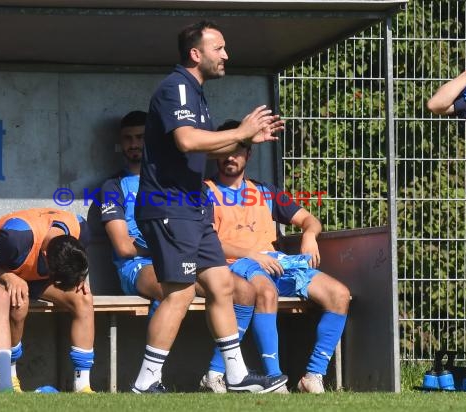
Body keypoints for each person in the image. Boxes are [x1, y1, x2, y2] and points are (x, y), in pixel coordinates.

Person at [131, 21, 287, 394]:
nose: (226, 56)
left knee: (220, 284)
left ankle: (235, 375)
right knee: (181, 292)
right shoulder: (176, 88)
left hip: (193, 206)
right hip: (170, 207)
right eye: (219, 48)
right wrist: (239, 133)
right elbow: (186, 141)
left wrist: (249, 138)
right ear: (195, 54)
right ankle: (145, 382)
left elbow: (207, 144)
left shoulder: (195, 93)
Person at [92, 112, 258, 392]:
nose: (134, 144)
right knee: (175, 288)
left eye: (141, 138)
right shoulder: (113, 186)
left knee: (239, 289)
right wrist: (167, 245)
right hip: (138, 265)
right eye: (128, 139)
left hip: (182, 259)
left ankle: (221, 373)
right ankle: (151, 377)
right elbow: (123, 245)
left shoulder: (179, 184)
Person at [200, 119, 351, 394]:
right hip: (235, 266)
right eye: (225, 149)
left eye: (238, 149)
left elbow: (309, 219)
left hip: (275, 264)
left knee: (339, 294)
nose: (230, 156)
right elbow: (206, 244)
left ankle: (312, 377)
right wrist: (252, 255)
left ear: (249, 153)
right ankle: (275, 378)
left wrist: (308, 234)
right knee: (266, 291)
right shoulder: (204, 191)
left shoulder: (265, 191)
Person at [0, 208, 95, 393]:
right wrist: (9, 278)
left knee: (84, 299)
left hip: (34, 278)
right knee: (18, 302)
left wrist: (78, 277)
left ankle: (82, 386)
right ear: (45, 257)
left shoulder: (80, 229)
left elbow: (77, 258)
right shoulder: (15, 240)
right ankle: (11, 379)